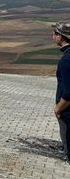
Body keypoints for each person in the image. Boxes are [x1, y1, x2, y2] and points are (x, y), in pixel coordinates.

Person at [53, 21, 70, 163]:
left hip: (67, 109)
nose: (53, 36)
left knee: (67, 136)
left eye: (55, 34)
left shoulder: (66, 60)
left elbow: (69, 91)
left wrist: (59, 108)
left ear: (61, 37)